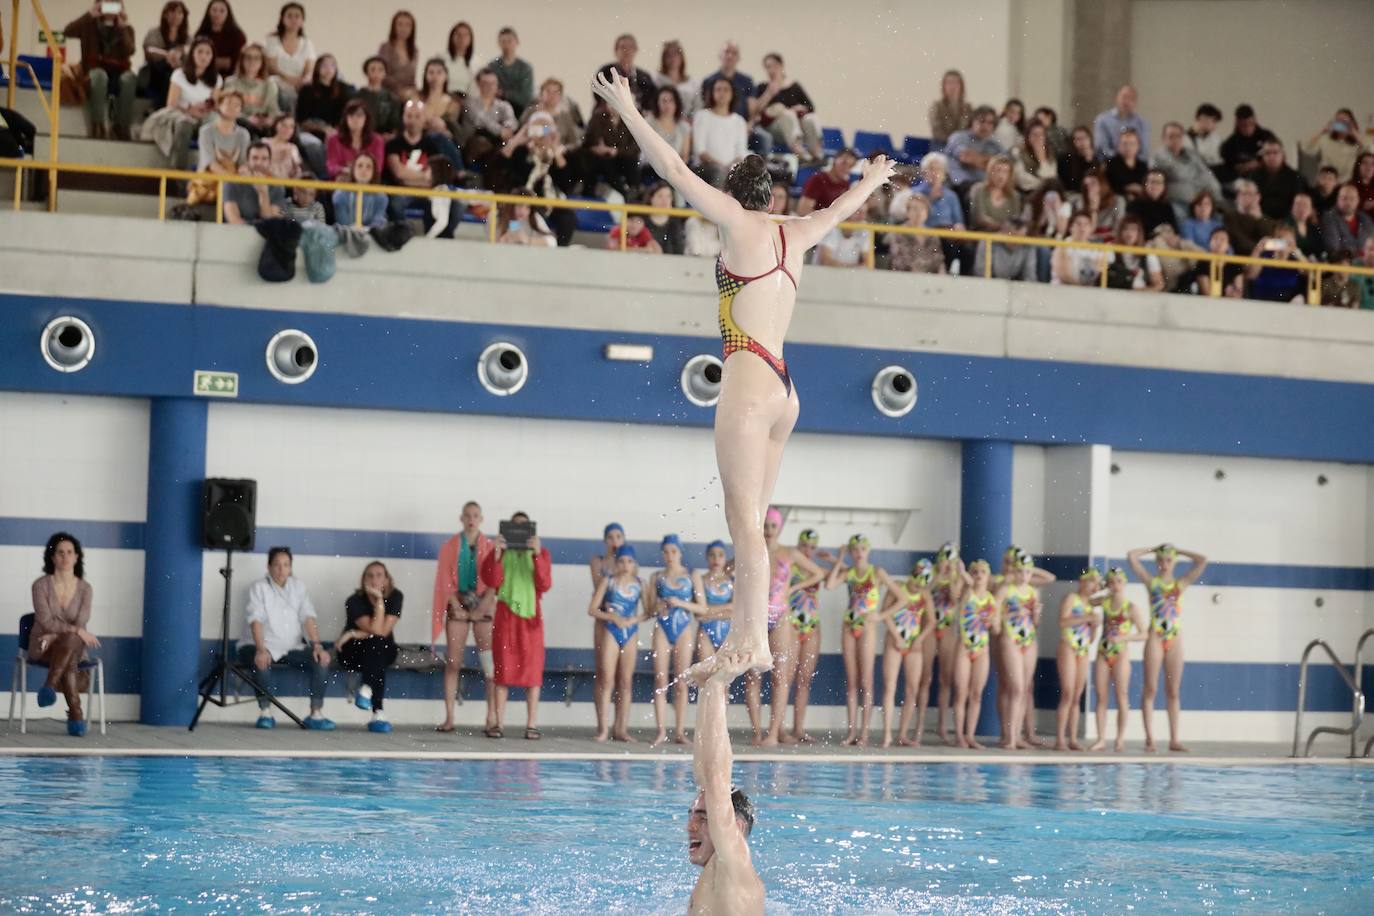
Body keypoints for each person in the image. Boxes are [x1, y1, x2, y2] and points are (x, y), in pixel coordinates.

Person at [593, 67, 896, 681]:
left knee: (741, 524)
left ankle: (749, 639)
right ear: (774, 197)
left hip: (751, 381)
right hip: (787, 389)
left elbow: (674, 172)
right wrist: (873, 179)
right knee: (754, 524)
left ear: (735, 194)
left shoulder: (736, 222)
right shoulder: (798, 232)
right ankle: (752, 634)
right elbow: (841, 208)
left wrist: (627, 109)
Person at [685, 650, 764, 915]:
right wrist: (707, 689)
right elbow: (704, 771)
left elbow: (717, 777)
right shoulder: (717, 874)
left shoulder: (733, 863)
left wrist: (719, 686)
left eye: (704, 818)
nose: (690, 826)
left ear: (737, 827)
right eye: (693, 815)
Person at [747, 508, 825, 747]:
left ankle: (773, 734)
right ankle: (758, 732)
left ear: (779, 528)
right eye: (766, 526)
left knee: (780, 678)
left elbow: (818, 573)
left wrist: (792, 588)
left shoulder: (789, 553)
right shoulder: (752, 552)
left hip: (780, 616)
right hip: (756, 617)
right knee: (753, 677)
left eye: (773, 526)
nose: (769, 531)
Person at [236, 546, 334, 730]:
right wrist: (260, 649)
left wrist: (317, 646)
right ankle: (265, 712)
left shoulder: (298, 587)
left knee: (322, 660)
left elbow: (308, 617)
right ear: (269, 567)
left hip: (291, 647)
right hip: (258, 645)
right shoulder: (259, 587)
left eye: (286, 565)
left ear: (290, 567)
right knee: (262, 661)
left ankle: (316, 713)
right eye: (277, 565)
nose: (281, 570)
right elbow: (255, 620)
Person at [1127, 542, 1208, 753]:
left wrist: (1179, 550)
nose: (1164, 564)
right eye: (1161, 560)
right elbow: (1132, 556)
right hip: (1155, 636)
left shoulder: (1180, 584)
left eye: (1169, 560)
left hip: (1175, 638)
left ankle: (1174, 739)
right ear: (1156, 562)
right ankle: (1150, 738)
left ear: (1174, 563)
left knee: (1173, 691)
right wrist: (1152, 549)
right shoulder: (1150, 582)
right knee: (1151, 688)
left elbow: (1202, 560)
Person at [483, 511, 552, 740]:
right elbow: (491, 581)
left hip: (531, 620)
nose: (520, 532)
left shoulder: (541, 553)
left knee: (532, 674)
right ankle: (498, 723)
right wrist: (496, 554)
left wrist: (537, 554)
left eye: (525, 528)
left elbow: (544, 584)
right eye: (516, 527)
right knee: (502, 672)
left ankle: (531, 724)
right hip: (506, 618)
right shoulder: (500, 553)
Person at [824, 534, 898, 747]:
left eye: (862, 549)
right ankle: (851, 732)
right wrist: (839, 560)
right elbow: (829, 585)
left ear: (868, 550)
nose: (859, 553)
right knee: (852, 682)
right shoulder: (849, 573)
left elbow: (901, 597)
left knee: (866, 682)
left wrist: (881, 615)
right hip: (848, 626)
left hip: (868, 628)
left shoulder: (877, 573)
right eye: (855, 549)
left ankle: (864, 734)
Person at [433, 500, 496, 735]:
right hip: (458, 604)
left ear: (481, 519)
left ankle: (491, 718)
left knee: (489, 666)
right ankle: (449, 717)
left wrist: (483, 606)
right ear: (461, 518)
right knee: (453, 663)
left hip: (483, 606)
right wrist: (455, 606)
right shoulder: (449, 546)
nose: (471, 519)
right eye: (468, 515)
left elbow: (495, 582)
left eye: (476, 515)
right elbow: (444, 580)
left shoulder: (490, 547)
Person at [29, 533, 98, 736]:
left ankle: (50, 686)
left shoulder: (85, 589)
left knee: (69, 645)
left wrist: (60, 634)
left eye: (70, 552)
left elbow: (81, 622)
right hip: (43, 645)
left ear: (77, 557)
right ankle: (75, 712)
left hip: (70, 647)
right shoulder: (40, 586)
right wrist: (72, 632)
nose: (65, 557)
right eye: (60, 553)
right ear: (52, 558)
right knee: (71, 645)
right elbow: (45, 621)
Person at [589, 544, 649, 742]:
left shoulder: (640, 584)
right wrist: (612, 618)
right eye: (622, 561)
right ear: (616, 563)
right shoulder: (609, 581)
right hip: (611, 631)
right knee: (607, 679)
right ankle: (603, 728)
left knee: (625, 682)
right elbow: (592, 609)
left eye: (629, 561)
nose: (625, 565)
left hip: (630, 632)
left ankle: (621, 729)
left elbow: (648, 612)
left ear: (634, 564)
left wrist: (631, 620)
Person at [335, 561, 401, 733]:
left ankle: (366, 688)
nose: (374, 579)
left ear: (387, 580)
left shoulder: (395, 597)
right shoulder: (354, 601)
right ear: (364, 580)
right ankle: (378, 712)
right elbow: (375, 630)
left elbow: (383, 631)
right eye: (370, 575)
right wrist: (379, 601)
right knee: (376, 646)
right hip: (352, 653)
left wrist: (353, 633)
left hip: (382, 650)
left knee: (377, 645)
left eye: (379, 575)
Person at [1086, 567, 1147, 752]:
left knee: (1121, 696)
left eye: (1118, 581)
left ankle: (1120, 738)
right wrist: (1101, 587)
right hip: (1103, 652)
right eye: (1111, 582)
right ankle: (1101, 739)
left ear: (1125, 583)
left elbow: (1144, 634)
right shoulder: (1104, 602)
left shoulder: (1131, 608)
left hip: (1121, 653)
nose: (1115, 586)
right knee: (1101, 697)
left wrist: (1124, 638)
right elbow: (1088, 599)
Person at [384, 99, 465, 238]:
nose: (413, 120)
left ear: (424, 119)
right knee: (396, 203)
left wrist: (411, 177)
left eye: (417, 116)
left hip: (428, 191)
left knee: (457, 204)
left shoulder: (433, 145)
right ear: (403, 117)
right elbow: (399, 174)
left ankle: (439, 238)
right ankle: (402, 235)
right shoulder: (393, 144)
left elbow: (434, 177)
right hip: (400, 191)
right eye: (409, 116)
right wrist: (422, 177)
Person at [779, 529, 832, 744]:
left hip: (812, 626)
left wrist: (835, 559)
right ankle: (779, 728)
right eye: (805, 546)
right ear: (798, 545)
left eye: (812, 547)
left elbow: (845, 573)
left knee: (804, 680)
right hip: (791, 624)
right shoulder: (790, 566)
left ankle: (799, 728)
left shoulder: (817, 568)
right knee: (786, 678)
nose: (808, 550)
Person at [141, 36, 220, 171]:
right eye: (200, 52)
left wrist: (204, 109)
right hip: (181, 114)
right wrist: (190, 110)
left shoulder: (216, 78)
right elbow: (171, 103)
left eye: (208, 53)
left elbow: (214, 105)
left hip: (203, 117)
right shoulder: (179, 74)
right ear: (192, 54)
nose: (204, 57)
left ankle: (209, 170)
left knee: (214, 122)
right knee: (185, 124)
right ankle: (178, 170)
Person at [878, 559, 934, 748]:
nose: (919, 585)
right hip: (894, 641)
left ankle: (902, 734)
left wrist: (919, 639)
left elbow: (932, 621)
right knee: (890, 687)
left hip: (913, 644)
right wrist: (896, 636)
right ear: (912, 575)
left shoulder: (924, 594)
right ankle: (886, 734)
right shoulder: (899, 587)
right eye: (918, 580)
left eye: (923, 582)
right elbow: (884, 613)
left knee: (912, 690)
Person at [993, 550, 1045, 749]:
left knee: (1023, 690)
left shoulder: (1034, 592)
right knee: (1015, 688)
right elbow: (995, 617)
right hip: (1010, 639)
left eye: (1027, 572)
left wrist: (1036, 615)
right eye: (1020, 571)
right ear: (1014, 572)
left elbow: (1035, 623)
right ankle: (1010, 737)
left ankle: (1015, 735)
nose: (1024, 576)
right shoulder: (1005, 590)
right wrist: (1010, 616)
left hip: (1029, 641)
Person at [64, 1, 137, 141]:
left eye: (114, 4)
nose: (110, 9)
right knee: (99, 76)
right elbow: (68, 31)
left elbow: (130, 50)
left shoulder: (127, 29)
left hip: (119, 70)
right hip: (94, 69)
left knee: (130, 78)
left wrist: (123, 29)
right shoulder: (89, 25)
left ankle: (121, 126)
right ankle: (98, 124)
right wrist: (89, 15)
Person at [649, 534, 697, 746]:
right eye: (666, 551)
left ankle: (679, 732)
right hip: (662, 628)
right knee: (660, 680)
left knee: (681, 682)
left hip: (684, 628)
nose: (669, 555)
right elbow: (650, 609)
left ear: (680, 552)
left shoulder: (691, 575)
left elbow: (702, 607)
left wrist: (681, 603)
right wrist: (659, 607)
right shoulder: (656, 577)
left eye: (673, 551)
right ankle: (661, 731)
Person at [952, 559, 998, 749]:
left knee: (976, 694)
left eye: (982, 572)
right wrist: (963, 573)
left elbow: (995, 630)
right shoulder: (966, 592)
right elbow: (959, 592)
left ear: (988, 577)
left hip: (982, 648)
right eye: (976, 572)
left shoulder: (991, 599)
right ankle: (959, 736)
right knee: (961, 693)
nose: (979, 575)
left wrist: (991, 621)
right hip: (964, 647)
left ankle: (970, 735)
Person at [1054, 568, 1101, 751]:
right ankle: (1060, 739)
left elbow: (1090, 638)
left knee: (1076, 696)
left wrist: (1095, 626)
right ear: (1082, 581)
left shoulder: (1090, 605)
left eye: (1097, 584)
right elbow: (1062, 622)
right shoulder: (1071, 598)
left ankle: (1072, 738)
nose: (1094, 586)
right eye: (1092, 582)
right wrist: (1087, 617)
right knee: (1067, 693)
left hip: (1083, 650)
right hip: (1068, 647)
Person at [750, 53, 821, 163]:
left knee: (810, 119)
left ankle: (816, 154)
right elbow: (754, 112)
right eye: (768, 67)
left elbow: (811, 107)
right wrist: (769, 94)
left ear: (781, 66)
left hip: (797, 126)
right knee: (785, 113)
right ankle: (798, 151)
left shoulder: (794, 86)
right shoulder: (762, 87)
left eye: (774, 66)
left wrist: (800, 108)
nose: (771, 70)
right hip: (774, 129)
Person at [692, 78, 749, 190]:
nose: (722, 93)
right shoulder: (702, 116)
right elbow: (700, 151)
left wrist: (730, 168)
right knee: (718, 173)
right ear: (712, 93)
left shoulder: (739, 121)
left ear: (732, 94)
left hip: (730, 169)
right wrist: (722, 167)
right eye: (718, 89)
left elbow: (740, 154)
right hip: (704, 168)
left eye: (726, 90)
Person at [458, 68, 519, 171]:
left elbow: (512, 121)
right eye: (486, 83)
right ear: (478, 84)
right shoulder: (470, 103)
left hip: (497, 141)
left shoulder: (503, 105)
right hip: (473, 142)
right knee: (482, 143)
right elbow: (481, 120)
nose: (490, 87)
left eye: (493, 83)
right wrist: (501, 131)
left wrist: (507, 128)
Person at [263, 2, 314, 114]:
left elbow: (309, 69)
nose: (293, 19)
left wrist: (302, 81)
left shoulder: (307, 43)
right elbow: (271, 67)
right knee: (274, 83)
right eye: (289, 16)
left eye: (297, 16)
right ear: (282, 18)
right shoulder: (272, 39)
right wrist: (289, 79)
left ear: (302, 20)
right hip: (279, 82)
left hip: (299, 84)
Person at [139, 1, 190, 110]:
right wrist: (169, 55)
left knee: (175, 74)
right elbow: (150, 50)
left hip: (178, 72)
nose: (176, 15)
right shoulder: (154, 32)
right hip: (155, 73)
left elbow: (189, 53)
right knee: (167, 73)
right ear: (166, 14)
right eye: (172, 12)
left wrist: (178, 57)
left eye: (180, 12)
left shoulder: (187, 37)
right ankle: (161, 109)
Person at [692, 540, 735, 665]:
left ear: (725, 558)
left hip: (728, 632)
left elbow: (737, 611)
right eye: (712, 555)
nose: (716, 558)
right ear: (707, 557)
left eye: (720, 555)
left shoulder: (732, 581)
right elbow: (698, 615)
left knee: (725, 679)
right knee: (706, 677)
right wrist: (728, 607)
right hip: (706, 631)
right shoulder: (700, 580)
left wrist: (709, 613)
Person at [224, 43, 280, 135]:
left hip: (264, 124)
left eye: (256, 58)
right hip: (241, 123)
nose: (252, 61)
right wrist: (247, 118)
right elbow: (229, 109)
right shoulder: (231, 82)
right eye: (248, 57)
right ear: (242, 60)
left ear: (262, 62)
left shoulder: (269, 84)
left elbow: (273, 109)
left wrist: (269, 119)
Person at [223, 141, 285, 224]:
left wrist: (263, 194)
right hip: (238, 233)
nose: (259, 163)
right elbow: (233, 220)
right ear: (247, 160)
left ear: (269, 162)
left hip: (266, 234)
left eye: (264, 159)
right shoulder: (232, 183)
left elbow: (271, 222)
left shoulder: (277, 187)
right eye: (255, 158)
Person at [944, 106, 1003, 192]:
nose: (986, 126)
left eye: (990, 123)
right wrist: (989, 161)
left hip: (985, 186)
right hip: (960, 185)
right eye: (982, 121)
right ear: (972, 121)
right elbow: (966, 157)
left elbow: (1004, 164)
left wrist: (978, 160)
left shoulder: (995, 144)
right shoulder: (959, 137)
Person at [1244, 226, 1307, 304]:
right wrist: (1258, 249)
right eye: (1280, 239)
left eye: (1288, 241)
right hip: (1262, 301)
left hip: (1288, 303)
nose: (1284, 244)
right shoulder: (1265, 256)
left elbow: (1309, 273)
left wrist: (1296, 251)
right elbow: (1251, 275)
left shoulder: (1295, 260)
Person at [595, 34, 656, 113]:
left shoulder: (644, 77)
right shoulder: (605, 72)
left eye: (630, 47)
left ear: (636, 50)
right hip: (610, 116)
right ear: (615, 50)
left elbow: (650, 101)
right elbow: (598, 94)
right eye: (623, 47)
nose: (627, 51)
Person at [326, 98, 384, 180]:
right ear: (345, 118)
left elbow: (377, 169)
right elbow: (331, 168)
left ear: (366, 118)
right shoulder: (333, 139)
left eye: (359, 115)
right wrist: (351, 171)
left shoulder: (377, 141)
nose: (355, 119)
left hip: (368, 183)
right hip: (342, 182)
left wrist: (356, 171)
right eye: (351, 115)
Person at [886, 193, 944, 274]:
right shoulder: (898, 232)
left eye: (922, 208)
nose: (919, 212)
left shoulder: (932, 234)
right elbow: (900, 260)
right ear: (907, 212)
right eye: (914, 208)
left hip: (930, 278)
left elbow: (938, 260)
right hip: (904, 276)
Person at [1052, 210, 1111, 285]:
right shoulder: (1062, 246)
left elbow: (1100, 272)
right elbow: (1063, 275)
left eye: (1086, 224)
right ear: (1071, 227)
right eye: (1078, 224)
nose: (1082, 228)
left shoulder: (1095, 249)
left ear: (1090, 228)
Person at [1220, 104, 1277, 182]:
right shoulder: (1230, 144)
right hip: (1242, 181)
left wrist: (1257, 163)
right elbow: (1229, 166)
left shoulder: (1266, 136)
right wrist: (1243, 167)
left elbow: (1277, 156)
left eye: (1250, 124)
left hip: (1267, 177)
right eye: (1243, 125)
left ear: (1254, 120)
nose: (1247, 128)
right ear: (1237, 123)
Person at [813, 194, 872, 268]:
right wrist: (853, 269)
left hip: (848, 276)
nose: (862, 217)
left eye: (865, 213)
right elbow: (825, 261)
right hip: (822, 274)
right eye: (859, 212)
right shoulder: (832, 224)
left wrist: (850, 270)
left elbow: (868, 263)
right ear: (849, 211)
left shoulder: (864, 228)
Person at [1253, 139, 1306, 220]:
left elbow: (1298, 201)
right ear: (1263, 156)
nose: (1271, 156)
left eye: (1275, 152)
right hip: (1260, 219)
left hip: (1288, 220)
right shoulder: (1254, 176)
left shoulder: (1295, 176)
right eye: (1267, 153)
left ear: (1282, 155)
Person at [1093, 85, 1149, 159]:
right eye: (1124, 97)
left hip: (1134, 166)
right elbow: (1101, 149)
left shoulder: (1141, 123)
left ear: (1135, 102)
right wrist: (1122, 160)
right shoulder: (1102, 120)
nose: (1126, 101)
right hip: (1109, 164)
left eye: (1131, 98)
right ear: (1116, 97)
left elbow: (1144, 152)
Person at [332, 152, 388, 226]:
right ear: (353, 169)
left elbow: (377, 222)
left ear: (373, 172)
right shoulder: (340, 195)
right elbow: (343, 223)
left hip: (371, 235)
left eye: (368, 167)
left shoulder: (381, 197)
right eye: (360, 166)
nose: (363, 170)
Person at [489, 26, 535, 116]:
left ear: (517, 42)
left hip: (520, 110)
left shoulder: (525, 68)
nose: (506, 45)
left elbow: (525, 97)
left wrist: (504, 93)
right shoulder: (492, 66)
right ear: (499, 44)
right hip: (496, 110)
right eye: (503, 41)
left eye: (509, 41)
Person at [796, 148, 856, 215]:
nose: (846, 168)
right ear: (834, 160)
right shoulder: (817, 179)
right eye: (843, 163)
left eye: (850, 166)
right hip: (815, 223)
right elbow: (803, 211)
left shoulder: (845, 184)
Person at [1321, 183, 1374, 258]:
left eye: (1352, 199)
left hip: (1365, 266)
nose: (1348, 202)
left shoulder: (1366, 219)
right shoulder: (1329, 218)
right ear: (1337, 199)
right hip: (1341, 265)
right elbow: (1333, 248)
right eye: (1344, 198)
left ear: (1358, 200)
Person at [1223, 180, 1275, 255]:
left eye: (1250, 194)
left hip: (1264, 259)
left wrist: (1258, 218)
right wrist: (1258, 249)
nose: (1246, 197)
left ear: (1258, 197)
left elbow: (1271, 242)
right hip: (1240, 258)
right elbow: (1238, 240)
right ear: (1237, 197)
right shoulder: (1230, 217)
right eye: (1243, 194)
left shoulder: (1267, 220)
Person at [1113, 215, 1164, 292]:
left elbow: (1159, 284)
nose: (1129, 233)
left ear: (1139, 233)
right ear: (1120, 232)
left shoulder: (1148, 255)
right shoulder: (1111, 251)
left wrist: (1142, 291)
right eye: (1125, 229)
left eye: (1133, 229)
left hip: (1140, 297)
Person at [195, 0, 245, 78]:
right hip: (203, 76)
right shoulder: (201, 33)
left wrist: (208, 61)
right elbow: (195, 59)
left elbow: (237, 62)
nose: (217, 14)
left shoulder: (238, 36)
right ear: (208, 12)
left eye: (222, 11)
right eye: (214, 10)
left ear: (227, 14)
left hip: (230, 78)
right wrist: (222, 62)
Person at [357, 56, 401, 137]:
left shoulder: (391, 98)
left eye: (380, 70)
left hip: (384, 138)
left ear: (385, 73)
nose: (376, 73)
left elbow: (395, 123)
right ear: (366, 72)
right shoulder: (358, 96)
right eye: (373, 69)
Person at [656, 39, 699, 121]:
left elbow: (698, 106)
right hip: (663, 123)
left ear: (681, 58)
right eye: (669, 55)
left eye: (676, 55)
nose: (673, 59)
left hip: (687, 125)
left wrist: (689, 120)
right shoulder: (656, 80)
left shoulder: (693, 82)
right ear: (663, 59)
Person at [377, 10, 417, 96]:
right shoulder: (385, 47)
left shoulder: (414, 50)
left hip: (408, 94)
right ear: (394, 27)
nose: (404, 29)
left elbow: (412, 77)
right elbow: (382, 74)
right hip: (388, 93)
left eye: (408, 25)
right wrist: (400, 90)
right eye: (400, 24)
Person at [927, 69, 971, 148]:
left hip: (963, 146)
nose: (952, 86)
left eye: (955, 82)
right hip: (941, 145)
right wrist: (953, 141)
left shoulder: (968, 108)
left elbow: (972, 129)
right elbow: (936, 131)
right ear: (943, 86)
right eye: (949, 83)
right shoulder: (937, 106)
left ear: (961, 85)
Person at [417, 58, 460, 138]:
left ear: (446, 76)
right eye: (431, 72)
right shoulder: (417, 97)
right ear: (425, 76)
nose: (435, 76)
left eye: (439, 73)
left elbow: (453, 131)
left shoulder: (453, 103)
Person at [1127, 169, 1177, 238]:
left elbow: (1175, 230)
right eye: (1152, 182)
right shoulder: (1135, 205)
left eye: (1159, 182)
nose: (1155, 186)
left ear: (1164, 187)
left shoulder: (1167, 207)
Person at [1012, 120, 1057, 193]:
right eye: (1035, 135)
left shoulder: (1049, 154)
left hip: (1045, 192)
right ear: (1028, 136)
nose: (1038, 138)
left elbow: (1052, 178)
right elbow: (1022, 181)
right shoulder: (1017, 152)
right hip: (1026, 193)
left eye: (1041, 135)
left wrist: (1042, 159)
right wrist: (1043, 183)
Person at [1103, 128, 1147, 200]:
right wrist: (1127, 188)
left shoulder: (1143, 166)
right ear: (1118, 145)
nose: (1128, 147)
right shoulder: (1110, 164)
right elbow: (1106, 188)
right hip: (1116, 201)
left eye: (1132, 144)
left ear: (1138, 146)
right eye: (1124, 143)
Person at [435, 21, 475, 98]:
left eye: (466, 35)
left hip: (466, 102)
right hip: (444, 99)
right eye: (458, 35)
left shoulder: (475, 61)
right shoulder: (441, 58)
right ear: (452, 37)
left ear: (470, 39)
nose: (462, 39)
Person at [644, 181, 685, 254]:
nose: (665, 200)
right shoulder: (642, 220)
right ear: (651, 198)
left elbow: (679, 250)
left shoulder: (676, 222)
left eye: (668, 196)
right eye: (660, 196)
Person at [1056, 125, 1098, 193]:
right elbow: (1071, 183)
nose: (1082, 142)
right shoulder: (1064, 158)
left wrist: (1089, 160)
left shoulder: (1097, 158)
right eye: (1078, 139)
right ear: (1073, 142)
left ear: (1090, 139)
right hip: (1070, 193)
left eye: (1085, 138)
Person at [1285, 191, 1323, 259]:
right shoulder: (1284, 225)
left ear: (1311, 210)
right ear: (1292, 207)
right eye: (1298, 204)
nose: (1301, 208)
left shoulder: (1314, 229)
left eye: (1305, 205)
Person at [1186, 103, 1223, 171]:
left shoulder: (1216, 138)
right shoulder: (1184, 140)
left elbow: (1219, 160)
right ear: (1203, 118)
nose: (1215, 126)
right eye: (1214, 121)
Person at [263, 113, 302, 178]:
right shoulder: (264, 142)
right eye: (283, 125)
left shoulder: (293, 148)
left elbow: (296, 174)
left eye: (291, 127)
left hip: (285, 183)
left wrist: (296, 168)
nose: (287, 129)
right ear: (276, 125)